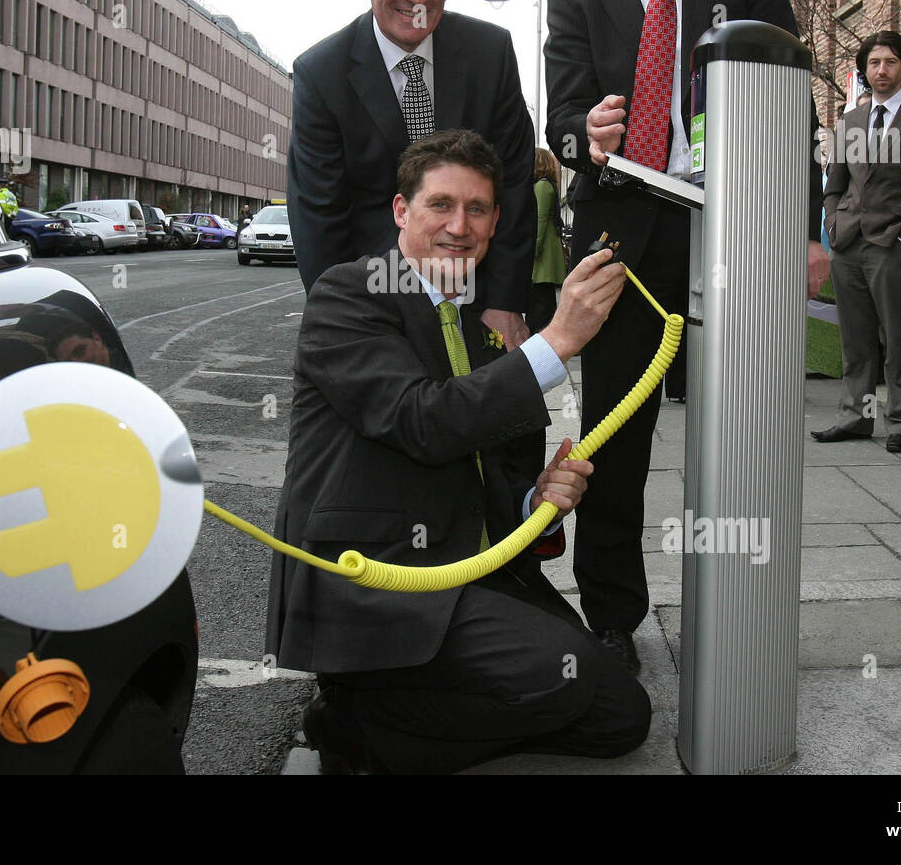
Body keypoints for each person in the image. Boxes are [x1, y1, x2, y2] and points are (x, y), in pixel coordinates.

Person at [266, 130, 651, 775]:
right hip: (378, 581)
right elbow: (424, 422)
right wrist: (557, 341)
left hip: (466, 570)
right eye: (440, 205)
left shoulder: (482, 330)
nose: (458, 225)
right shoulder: (348, 295)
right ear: (400, 212)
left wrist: (539, 498)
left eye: (477, 209)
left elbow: (483, 472)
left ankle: (376, 718)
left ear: (497, 222)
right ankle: (354, 710)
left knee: (620, 716)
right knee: (570, 680)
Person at [543, 0, 826, 671]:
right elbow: (558, 123)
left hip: (731, 234)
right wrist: (580, 134)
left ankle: (742, 611)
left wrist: (806, 231)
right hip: (621, 244)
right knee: (613, 436)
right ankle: (613, 621)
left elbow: (794, 104)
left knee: (745, 429)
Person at [286, 0, 536, 350]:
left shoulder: (490, 53)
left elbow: (513, 185)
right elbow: (318, 216)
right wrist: (347, 318)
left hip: (481, 299)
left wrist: (505, 300)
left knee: (499, 417)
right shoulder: (321, 74)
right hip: (375, 300)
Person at [811, 31, 901, 453]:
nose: (881, 70)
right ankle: (857, 417)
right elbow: (833, 185)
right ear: (864, 70)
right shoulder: (851, 120)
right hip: (849, 244)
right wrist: (834, 223)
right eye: (873, 63)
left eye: (889, 62)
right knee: (856, 339)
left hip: (894, 244)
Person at [528, 148, 568, 333]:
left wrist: (532, 250)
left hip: (542, 254)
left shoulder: (542, 186)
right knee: (544, 301)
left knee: (540, 304)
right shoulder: (546, 184)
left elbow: (540, 219)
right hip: (548, 251)